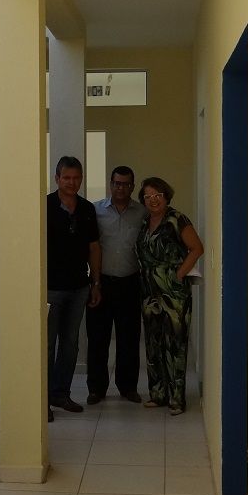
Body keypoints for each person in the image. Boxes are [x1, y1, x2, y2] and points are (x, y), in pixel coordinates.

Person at [136, 177, 203, 415]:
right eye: (148, 196)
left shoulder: (177, 219)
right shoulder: (145, 222)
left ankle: (176, 398)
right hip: (149, 292)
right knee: (153, 343)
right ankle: (158, 394)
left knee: (175, 344)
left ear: (166, 196)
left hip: (174, 293)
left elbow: (197, 248)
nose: (153, 200)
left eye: (158, 195)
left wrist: (178, 275)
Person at [85, 166, 148, 405]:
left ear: (132, 186)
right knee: (97, 339)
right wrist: (95, 282)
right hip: (101, 283)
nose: (121, 188)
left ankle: (128, 387)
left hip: (130, 282)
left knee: (129, 339)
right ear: (110, 184)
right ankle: (96, 389)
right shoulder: (96, 210)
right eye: (117, 183)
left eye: (126, 184)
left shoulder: (142, 212)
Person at [46, 156, 101, 417]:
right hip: (50, 289)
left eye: (76, 177)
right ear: (57, 178)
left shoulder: (87, 209)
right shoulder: (44, 206)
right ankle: (42, 400)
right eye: (66, 177)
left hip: (79, 287)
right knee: (47, 345)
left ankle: (61, 394)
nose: (71, 182)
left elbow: (94, 247)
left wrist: (96, 283)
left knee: (70, 345)